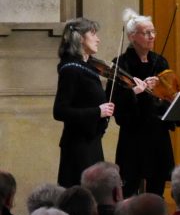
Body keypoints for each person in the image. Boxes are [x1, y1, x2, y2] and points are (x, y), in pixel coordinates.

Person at [53, 18, 143, 187]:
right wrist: (97, 112)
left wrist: (132, 92)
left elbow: (106, 104)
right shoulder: (71, 69)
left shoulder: (87, 67)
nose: (98, 39)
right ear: (80, 38)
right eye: (93, 34)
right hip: (78, 148)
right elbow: (60, 111)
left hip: (91, 143)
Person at [110, 9, 177, 197]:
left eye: (153, 31)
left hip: (158, 134)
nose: (152, 36)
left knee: (157, 190)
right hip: (133, 136)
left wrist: (160, 91)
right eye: (146, 32)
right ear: (132, 37)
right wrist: (135, 92)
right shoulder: (121, 64)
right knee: (129, 189)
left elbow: (170, 95)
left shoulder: (160, 61)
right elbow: (113, 101)